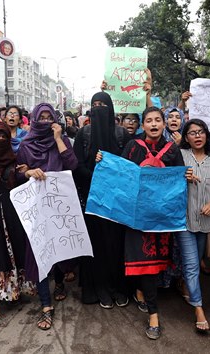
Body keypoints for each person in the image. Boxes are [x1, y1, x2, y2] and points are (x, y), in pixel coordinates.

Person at [96, 106, 186, 339]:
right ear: (142, 125)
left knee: (155, 264)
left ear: (164, 124)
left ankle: (140, 292)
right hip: (137, 217)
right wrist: (104, 161)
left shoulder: (173, 149)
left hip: (162, 217)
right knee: (144, 263)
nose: (154, 124)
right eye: (149, 120)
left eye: (158, 120)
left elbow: (178, 179)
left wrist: (186, 176)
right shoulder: (132, 146)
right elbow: (121, 175)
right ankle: (154, 316)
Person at [17, 103, 78, 330]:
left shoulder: (61, 141)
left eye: (48, 116)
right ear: (33, 119)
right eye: (40, 117)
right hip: (35, 208)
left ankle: (60, 283)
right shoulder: (25, 145)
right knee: (39, 253)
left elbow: (72, 164)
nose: (44, 120)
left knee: (59, 248)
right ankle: (45, 304)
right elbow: (17, 172)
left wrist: (59, 138)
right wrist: (28, 172)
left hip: (59, 205)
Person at [74, 92, 132, 307]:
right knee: (95, 244)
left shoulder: (121, 134)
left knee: (115, 244)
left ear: (111, 108)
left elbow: (129, 167)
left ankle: (118, 287)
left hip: (117, 201)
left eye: (102, 105)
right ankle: (97, 289)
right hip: (92, 200)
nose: (98, 108)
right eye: (94, 105)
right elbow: (77, 166)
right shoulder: (84, 134)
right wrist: (97, 178)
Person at [0, 121, 36, 327]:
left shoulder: (16, 162)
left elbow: (23, 176)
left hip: (14, 215)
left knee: (17, 252)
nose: (1, 140)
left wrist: (29, 172)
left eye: (5, 136)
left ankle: (16, 291)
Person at [178, 118, 210, 334]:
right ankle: (198, 309)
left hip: (206, 221)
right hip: (183, 220)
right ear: (186, 137)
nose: (197, 136)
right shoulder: (179, 156)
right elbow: (166, 181)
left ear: (207, 135)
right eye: (192, 132)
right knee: (191, 264)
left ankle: (185, 284)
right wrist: (182, 176)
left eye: (201, 132)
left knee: (196, 262)